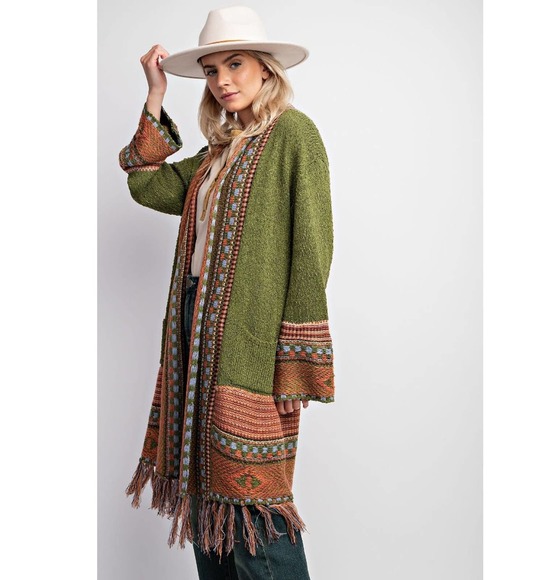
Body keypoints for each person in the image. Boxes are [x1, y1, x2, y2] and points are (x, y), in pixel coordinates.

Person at [119, 6, 336, 579]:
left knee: (253, 504)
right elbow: (146, 184)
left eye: (235, 64)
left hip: (251, 339)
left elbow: (313, 250)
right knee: (205, 495)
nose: (222, 80)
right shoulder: (217, 152)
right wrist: (156, 94)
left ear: (266, 68)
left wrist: (295, 361)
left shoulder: (293, 135)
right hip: (193, 329)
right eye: (212, 70)